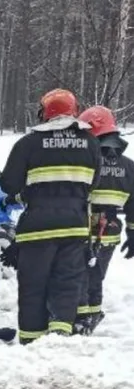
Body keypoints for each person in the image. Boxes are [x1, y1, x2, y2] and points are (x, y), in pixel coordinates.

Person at [0, 88, 102, 344]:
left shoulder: (28, 143)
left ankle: (32, 340)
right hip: (75, 228)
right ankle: (59, 336)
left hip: (37, 230)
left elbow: (8, 184)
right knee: (67, 283)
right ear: (73, 111)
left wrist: (26, 193)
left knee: (33, 285)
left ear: (45, 113)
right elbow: (93, 184)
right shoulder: (90, 142)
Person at [75, 106, 134, 334]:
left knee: (78, 275)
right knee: (96, 276)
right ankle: (91, 316)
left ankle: (81, 319)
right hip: (109, 232)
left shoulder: (86, 160)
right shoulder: (129, 166)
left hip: (83, 229)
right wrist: (132, 231)